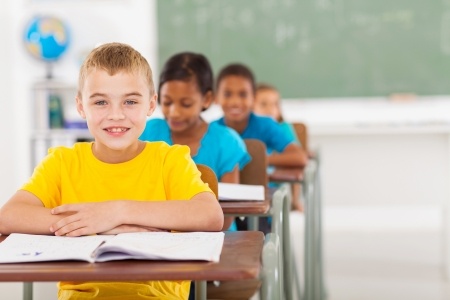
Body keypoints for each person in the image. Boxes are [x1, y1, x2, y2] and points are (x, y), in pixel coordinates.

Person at [0, 43, 224, 300]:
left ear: (151, 105)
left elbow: (210, 215)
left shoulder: (169, 160)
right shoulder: (63, 162)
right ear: (81, 106)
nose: (116, 115)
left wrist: (116, 212)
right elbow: (8, 216)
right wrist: (95, 226)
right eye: (100, 102)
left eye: (130, 101)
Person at [139, 52, 250, 230]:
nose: (174, 112)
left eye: (186, 104)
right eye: (167, 102)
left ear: (206, 99)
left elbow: (227, 214)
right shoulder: (147, 132)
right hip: (151, 235)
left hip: (213, 240)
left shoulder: (226, 141)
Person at [213, 63, 308, 168]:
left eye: (243, 94)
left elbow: (300, 157)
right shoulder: (211, 131)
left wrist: (257, 160)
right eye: (227, 94)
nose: (235, 102)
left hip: (264, 184)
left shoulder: (266, 125)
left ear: (254, 98)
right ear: (216, 98)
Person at [254, 83, 303, 211]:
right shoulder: (252, 129)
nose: (270, 109)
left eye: (275, 104)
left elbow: (297, 161)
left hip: (275, 186)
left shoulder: (283, 129)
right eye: (263, 104)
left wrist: (295, 200)